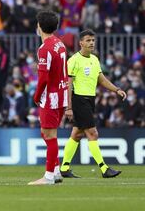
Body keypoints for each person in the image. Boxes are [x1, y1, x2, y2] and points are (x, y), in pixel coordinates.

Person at [61, 29, 127, 178]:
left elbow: (102, 79)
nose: (91, 43)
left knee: (77, 134)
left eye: (93, 40)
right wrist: (69, 107)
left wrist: (116, 89)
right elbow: (68, 85)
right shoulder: (73, 61)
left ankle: (64, 168)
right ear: (81, 43)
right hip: (79, 100)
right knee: (93, 133)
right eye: (88, 40)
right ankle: (104, 169)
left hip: (90, 100)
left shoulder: (94, 60)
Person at [28, 10, 68, 185]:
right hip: (61, 95)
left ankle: (49, 176)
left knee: (50, 135)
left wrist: (36, 96)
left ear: (40, 26)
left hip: (51, 97)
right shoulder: (60, 44)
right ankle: (57, 171)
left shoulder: (45, 48)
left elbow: (44, 78)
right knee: (47, 133)